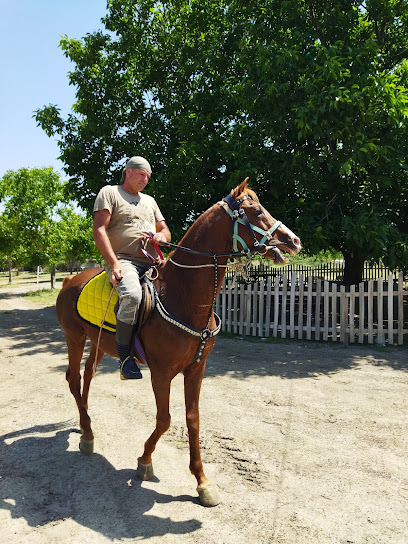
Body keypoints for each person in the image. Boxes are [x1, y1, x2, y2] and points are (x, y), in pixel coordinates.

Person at [93, 156, 171, 380]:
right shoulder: (110, 192)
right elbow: (99, 230)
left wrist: (161, 235)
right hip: (124, 260)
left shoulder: (150, 201)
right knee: (133, 296)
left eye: (148, 176)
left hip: (153, 261)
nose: (145, 179)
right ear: (128, 172)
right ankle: (126, 359)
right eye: (141, 174)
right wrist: (114, 264)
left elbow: (165, 230)